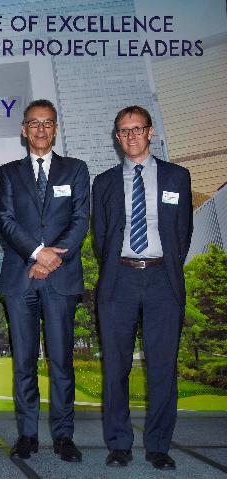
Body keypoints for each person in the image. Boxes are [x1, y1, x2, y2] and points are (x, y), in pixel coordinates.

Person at [92, 105, 192, 470]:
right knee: (115, 366)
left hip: (163, 280)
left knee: (162, 367)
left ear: (150, 133)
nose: (131, 136)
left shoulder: (177, 177)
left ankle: (159, 446)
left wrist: (161, 265)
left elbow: (182, 232)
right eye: (124, 130)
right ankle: (119, 444)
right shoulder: (103, 182)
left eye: (138, 129)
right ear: (117, 138)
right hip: (118, 279)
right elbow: (100, 236)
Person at [0, 99, 89, 462]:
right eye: (34, 123)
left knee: (62, 362)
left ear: (55, 129)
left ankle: (64, 436)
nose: (40, 129)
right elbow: (5, 220)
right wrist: (37, 253)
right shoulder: (9, 172)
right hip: (21, 280)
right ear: (24, 129)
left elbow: (80, 219)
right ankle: (28, 435)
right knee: (23, 363)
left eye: (47, 123)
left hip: (60, 279)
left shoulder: (76, 169)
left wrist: (51, 259)